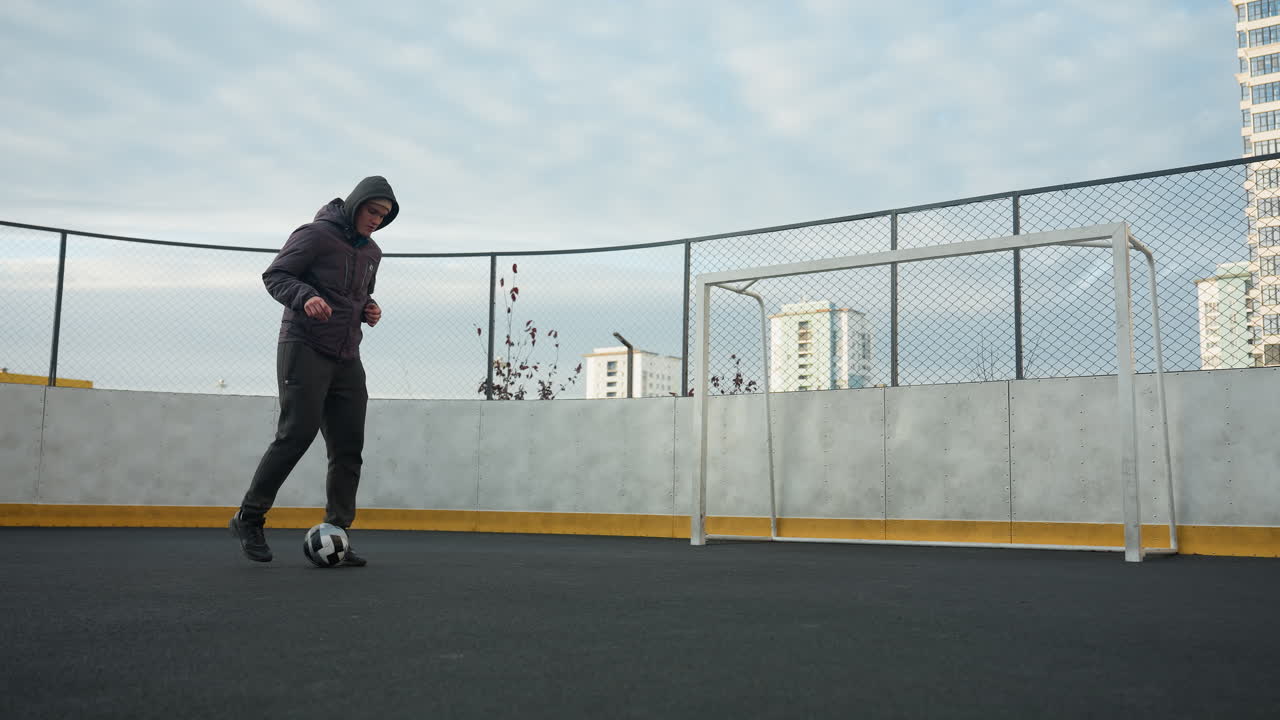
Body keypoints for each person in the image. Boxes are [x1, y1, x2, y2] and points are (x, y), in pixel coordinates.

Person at [229, 176, 399, 565]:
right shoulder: (315, 235)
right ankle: (249, 518)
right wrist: (305, 296)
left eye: (384, 216)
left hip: (347, 356)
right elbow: (276, 276)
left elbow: (357, 295)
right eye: (372, 211)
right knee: (296, 434)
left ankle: (337, 530)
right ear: (356, 204)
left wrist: (369, 309)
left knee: (348, 449)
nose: (376, 220)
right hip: (304, 346)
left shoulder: (373, 252)